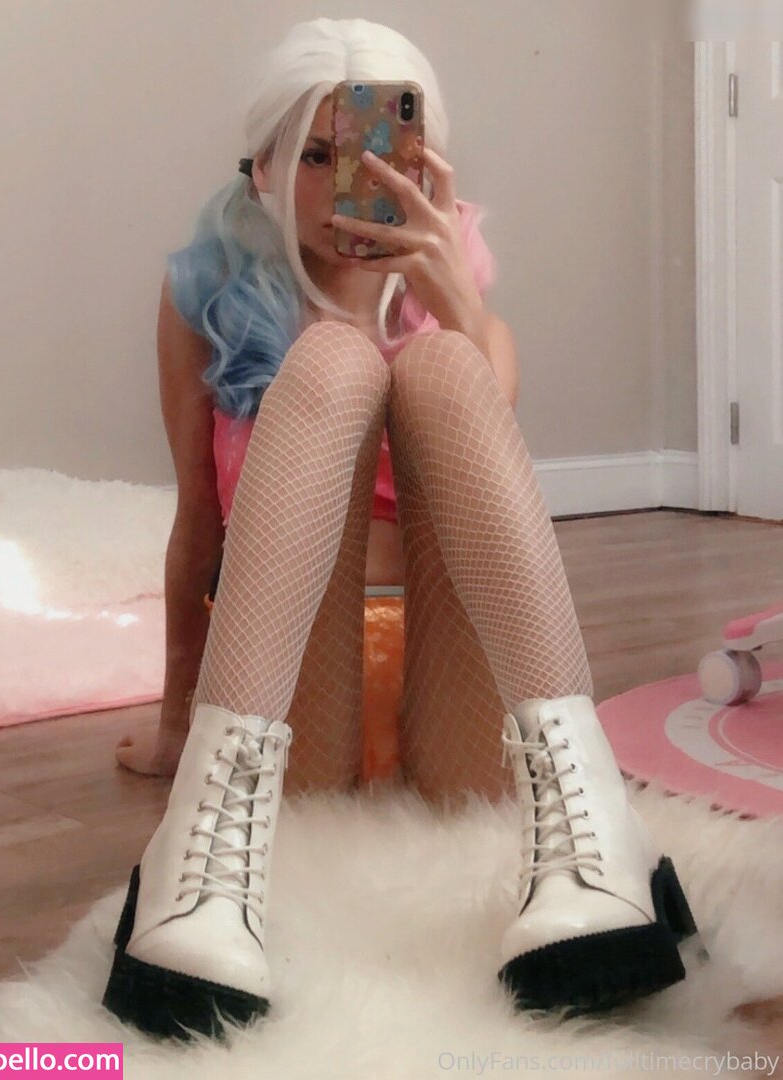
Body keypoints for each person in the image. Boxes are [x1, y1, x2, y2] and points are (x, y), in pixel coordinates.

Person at [103, 16, 702, 1044]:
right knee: (331, 365)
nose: (346, 182)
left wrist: (456, 299)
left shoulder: (450, 270)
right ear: (261, 168)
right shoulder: (207, 288)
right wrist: (172, 719)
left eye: (381, 151)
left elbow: (494, 474)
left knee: (442, 366)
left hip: (454, 672)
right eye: (315, 156)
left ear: (423, 156)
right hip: (290, 683)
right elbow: (198, 519)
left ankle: (594, 817)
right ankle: (201, 833)